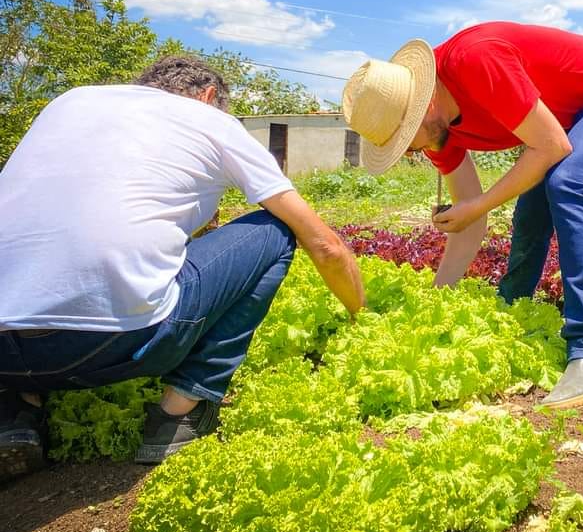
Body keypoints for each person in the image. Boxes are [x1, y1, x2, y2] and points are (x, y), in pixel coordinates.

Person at [0, 56, 365, 481]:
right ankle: (180, 413)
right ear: (209, 97)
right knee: (274, 230)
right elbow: (326, 245)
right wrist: (362, 316)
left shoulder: (70, 103)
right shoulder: (209, 120)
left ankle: (15, 415)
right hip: (107, 346)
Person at [342, 22, 583, 409]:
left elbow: (551, 145)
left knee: (568, 183)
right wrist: (433, 306)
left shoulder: (476, 61)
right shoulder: (436, 133)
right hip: (564, 119)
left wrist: (478, 205)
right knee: (531, 211)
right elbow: (468, 222)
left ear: (423, 109)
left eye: (405, 141)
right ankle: (513, 312)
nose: (409, 153)